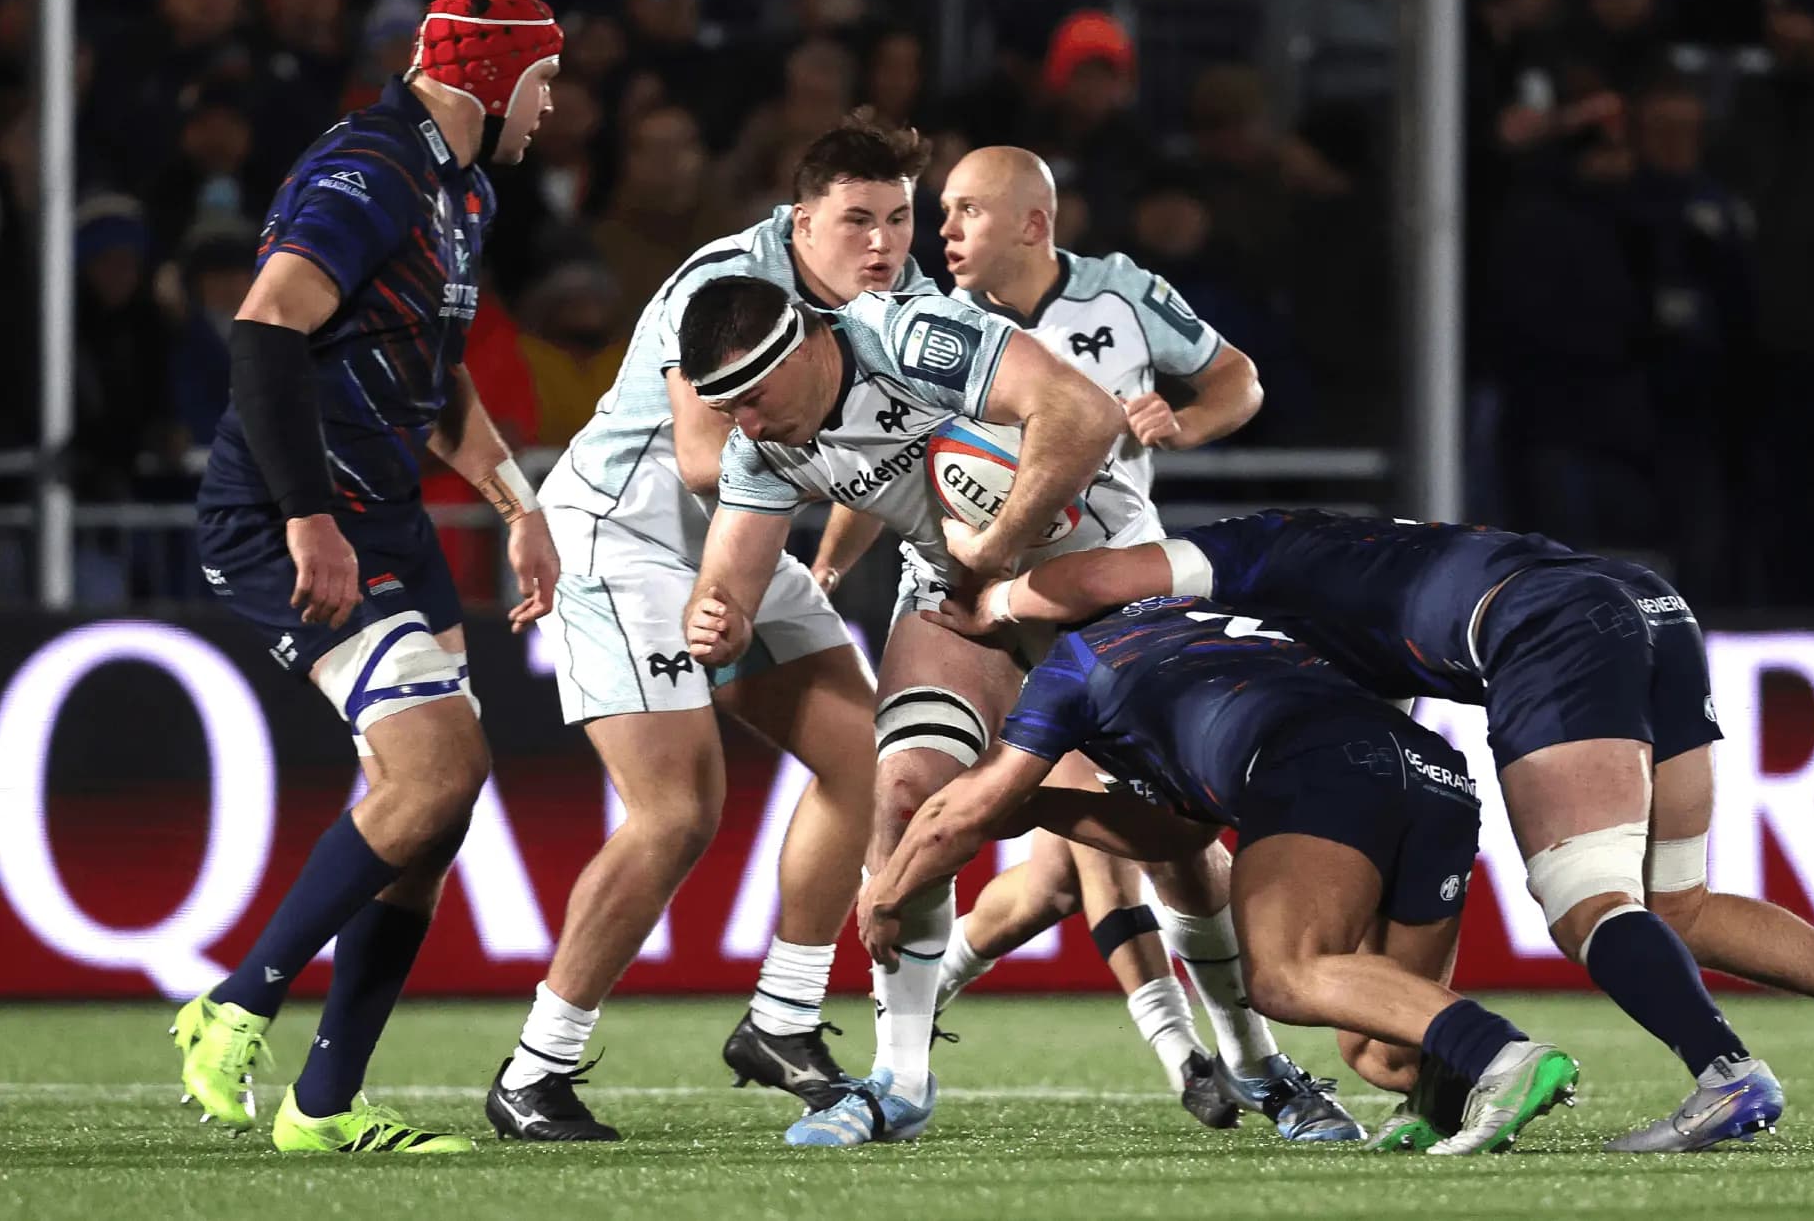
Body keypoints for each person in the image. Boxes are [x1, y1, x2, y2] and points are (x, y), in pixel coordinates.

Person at [931, 509, 1814, 1147]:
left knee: (1584, 902)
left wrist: (997, 594)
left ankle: (1724, 1075)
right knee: (1680, 904)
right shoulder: (1331, 571)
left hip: (1544, 624)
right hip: (1643, 601)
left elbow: (1107, 579)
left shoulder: (1248, 559)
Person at [177, 0, 564, 1155]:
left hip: (381, 511)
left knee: (433, 815)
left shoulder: (463, 189)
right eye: (543, 82)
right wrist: (307, 518)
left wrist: (517, 503)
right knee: (438, 766)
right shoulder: (372, 167)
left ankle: (323, 1104)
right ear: (491, 78)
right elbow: (264, 324)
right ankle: (233, 1002)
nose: (552, 107)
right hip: (293, 512)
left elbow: (432, 376)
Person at [485, 121, 929, 1142]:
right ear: (801, 218)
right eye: (856, 220)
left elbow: (879, 440)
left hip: (748, 535)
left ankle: (780, 1018)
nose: (881, 243)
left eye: (898, 219)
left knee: (866, 756)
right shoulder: (729, 284)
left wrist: (832, 552)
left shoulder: (891, 304)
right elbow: (699, 457)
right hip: (627, 536)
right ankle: (533, 1070)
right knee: (677, 809)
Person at [676, 274, 1158, 1147]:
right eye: (725, 406)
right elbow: (729, 585)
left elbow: (1085, 415)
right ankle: (899, 1078)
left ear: (807, 345)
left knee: (1184, 837)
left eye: (750, 396)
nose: (740, 424)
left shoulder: (907, 340)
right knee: (900, 795)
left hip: (1105, 568)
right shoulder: (768, 445)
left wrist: (1001, 548)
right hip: (956, 588)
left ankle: (1256, 1066)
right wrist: (717, 619)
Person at [858, 594, 1581, 1156]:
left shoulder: (1073, 663)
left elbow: (959, 812)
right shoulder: (1214, 618)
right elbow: (1180, 833)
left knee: (1281, 975)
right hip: (1433, 771)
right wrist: (1049, 808)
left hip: (1319, 772)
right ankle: (1449, 1102)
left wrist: (887, 893)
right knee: (1383, 1050)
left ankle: (1501, 1052)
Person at [918, 144, 1292, 1130]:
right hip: (988, 609)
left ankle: (909, 1018)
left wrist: (1184, 422)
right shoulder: (927, 327)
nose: (943, 231)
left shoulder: (1122, 296)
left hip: (1118, 593)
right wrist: (834, 555)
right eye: (941, 211)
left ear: (1033, 224)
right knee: (1133, 839)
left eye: (963, 210)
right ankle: (1247, 1063)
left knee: (1086, 858)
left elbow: (1237, 380)